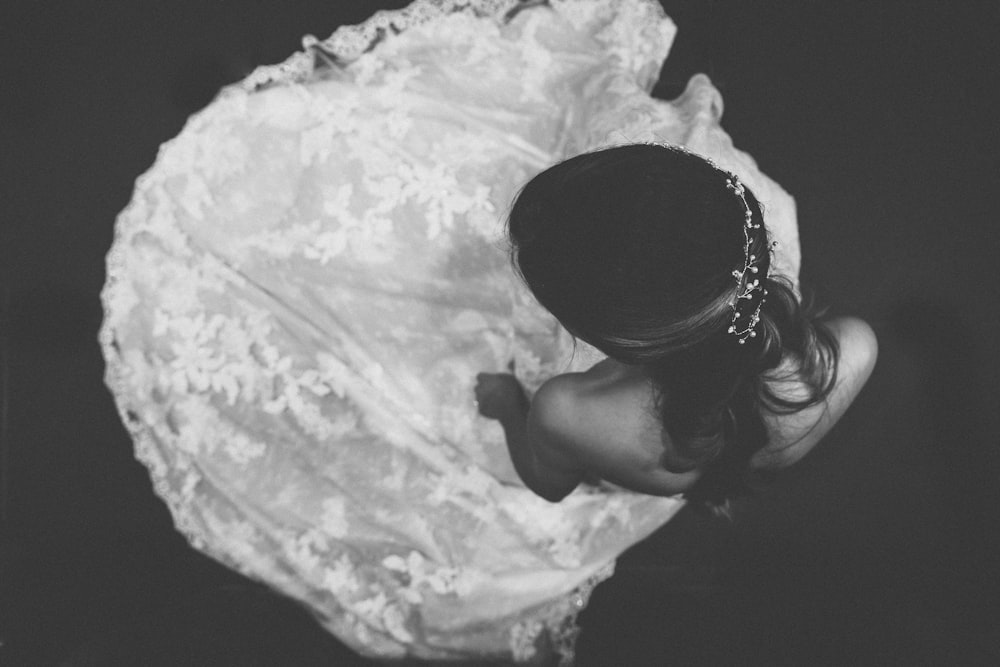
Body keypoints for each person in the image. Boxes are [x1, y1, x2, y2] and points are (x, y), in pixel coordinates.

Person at [100, 0, 874, 663]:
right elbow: (799, 354)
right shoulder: (840, 361)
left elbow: (547, 479)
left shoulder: (577, 411)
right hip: (703, 439)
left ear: (603, 331)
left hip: (644, 443)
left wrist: (510, 400)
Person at [475, 143, 877, 512]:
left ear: (623, 339)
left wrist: (509, 405)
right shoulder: (857, 347)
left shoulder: (566, 412)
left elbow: (549, 487)